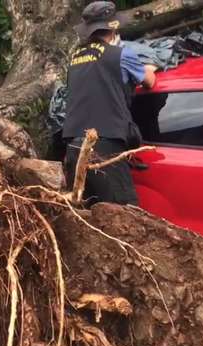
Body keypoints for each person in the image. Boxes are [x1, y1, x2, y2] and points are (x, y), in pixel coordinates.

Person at [62, 1, 156, 206]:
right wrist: (149, 66)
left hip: (73, 145)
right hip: (103, 146)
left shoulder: (75, 59)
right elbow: (150, 81)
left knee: (87, 214)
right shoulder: (121, 54)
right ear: (113, 28)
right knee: (124, 213)